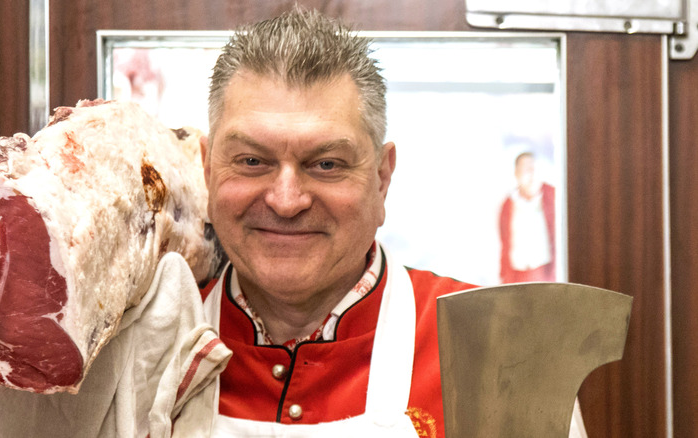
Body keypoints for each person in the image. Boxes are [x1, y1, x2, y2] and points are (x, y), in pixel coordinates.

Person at [199, 7, 586, 437]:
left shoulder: (500, 349)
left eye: (326, 164)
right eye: (252, 161)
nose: (287, 200)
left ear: (382, 179)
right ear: (207, 170)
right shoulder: (143, 342)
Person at [498, 151, 557, 283]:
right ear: (517, 174)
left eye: (534, 168)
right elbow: (505, 245)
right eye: (526, 169)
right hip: (517, 276)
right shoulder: (508, 205)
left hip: (546, 273)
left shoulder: (552, 197)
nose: (532, 174)